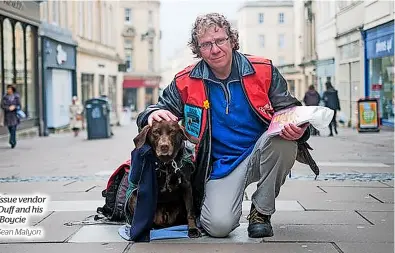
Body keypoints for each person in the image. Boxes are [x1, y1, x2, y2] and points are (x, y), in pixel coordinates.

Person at [130, 13, 318, 241]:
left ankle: (261, 211)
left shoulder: (263, 69)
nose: (215, 49)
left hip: (261, 152)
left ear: (232, 40)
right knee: (217, 227)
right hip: (219, 165)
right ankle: (229, 203)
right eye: (206, 44)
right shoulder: (185, 81)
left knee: (284, 142)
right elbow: (158, 108)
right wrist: (152, 113)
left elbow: (290, 110)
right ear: (198, 49)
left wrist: (300, 128)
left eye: (220, 40)